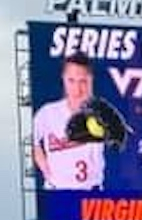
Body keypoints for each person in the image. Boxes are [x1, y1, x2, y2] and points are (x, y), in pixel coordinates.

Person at [33, 52, 107, 190]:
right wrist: (46, 171)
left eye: (83, 81)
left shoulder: (101, 114)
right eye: (71, 80)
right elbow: (33, 143)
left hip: (91, 195)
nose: (77, 89)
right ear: (63, 79)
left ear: (90, 81)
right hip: (57, 192)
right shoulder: (48, 113)